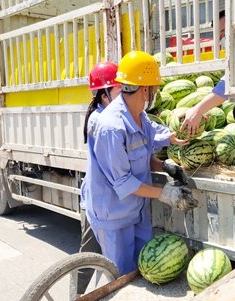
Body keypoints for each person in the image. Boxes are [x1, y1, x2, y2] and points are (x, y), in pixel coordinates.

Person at [81, 51, 197, 276]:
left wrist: (164, 165)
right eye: (155, 87)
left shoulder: (139, 115)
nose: (156, 92)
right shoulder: (111, 127)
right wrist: (166, 194)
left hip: (136, 210)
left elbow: (144, 149)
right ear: (145, 89)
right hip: (113, 215)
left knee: (143, 271)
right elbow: (123, 181)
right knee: (119, 278)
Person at [78, 61, 122, 297]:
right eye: (119, 90)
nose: (124, 95)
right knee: (88, 257)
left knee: (103, 258)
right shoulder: (101, 121)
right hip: (97, 203)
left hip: (105, 201)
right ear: (104, 95)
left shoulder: (107, 114)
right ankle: (75, 296)